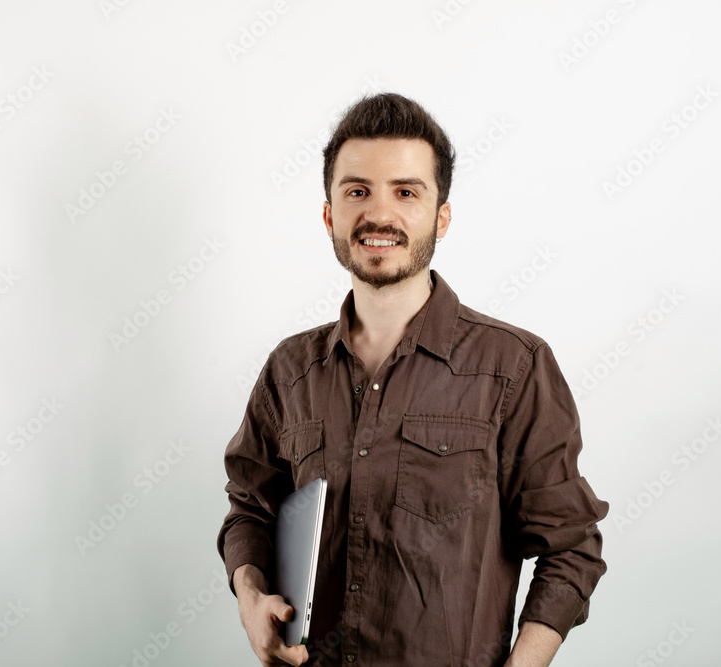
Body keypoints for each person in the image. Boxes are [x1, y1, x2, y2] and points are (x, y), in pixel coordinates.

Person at [219, 93, 609, 666]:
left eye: (406, 191)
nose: (380, 215)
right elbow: (251, 510)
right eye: (357, 191)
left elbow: (571, 548)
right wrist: (251, 603)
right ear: (329, 214)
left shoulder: (514, 366)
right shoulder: (289, 371)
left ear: (441, 217)